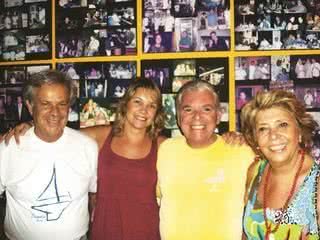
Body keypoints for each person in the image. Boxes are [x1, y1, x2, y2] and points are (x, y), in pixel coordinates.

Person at [0, 70, 98, 239]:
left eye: (62, 104)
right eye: (46, 104)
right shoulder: (9, 148)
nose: (55, 112)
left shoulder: (88, 147)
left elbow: (94, 193)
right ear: (30, 106)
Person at [157, 80, 254, 239]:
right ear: (178, 116)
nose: (197, 117)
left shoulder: (241, 151)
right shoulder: (165, 150)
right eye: (188, 109)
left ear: (218, 115)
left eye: (206, 109)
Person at [241, 90, 320, 239]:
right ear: (255, 139)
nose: (273, 136)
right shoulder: (254, 172)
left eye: (282, 125)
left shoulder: (316, 184)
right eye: (263, 128)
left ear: (300, 132)